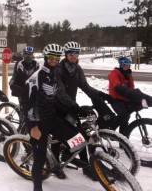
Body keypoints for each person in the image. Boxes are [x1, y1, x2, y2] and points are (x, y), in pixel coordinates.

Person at [22, 44, 88, 191]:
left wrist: (75, 109)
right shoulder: (36, 77)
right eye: (51, 57)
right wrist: (33, 127)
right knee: (39, 158)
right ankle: (37, 187)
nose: (54, 60)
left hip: (51, 117)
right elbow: (26, 104)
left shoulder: (53, 76)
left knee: (78, 139)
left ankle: (66, 156)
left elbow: (54, 100)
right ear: (46, 58)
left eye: (56, 58)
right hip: (38, 122)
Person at [54, 41, 114, 180]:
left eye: (76, 53)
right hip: (57, 106)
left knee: (81, 135)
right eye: (70, 53)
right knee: (57, 138)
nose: (73, 56)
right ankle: (56, 165)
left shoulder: (77, 69)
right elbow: (60, 92)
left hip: (72, 106)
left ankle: (86, 166)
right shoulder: (58, 69)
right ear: (66, 54)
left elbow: (85, 86)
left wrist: (101, 95)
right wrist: (76, 106)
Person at [108, 56, 152, 135]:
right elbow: (118, 87)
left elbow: (131, 89)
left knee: (143, 100)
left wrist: (141, 98)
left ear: (130, 64)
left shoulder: (128, 75)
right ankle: (110, 130)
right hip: (115, 99)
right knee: (124, 115)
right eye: (122, 63)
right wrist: (132, 94)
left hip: (125, 98)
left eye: (127, 63)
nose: (125, 65)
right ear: (120, 64)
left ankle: (123, 139)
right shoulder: (114, 73)